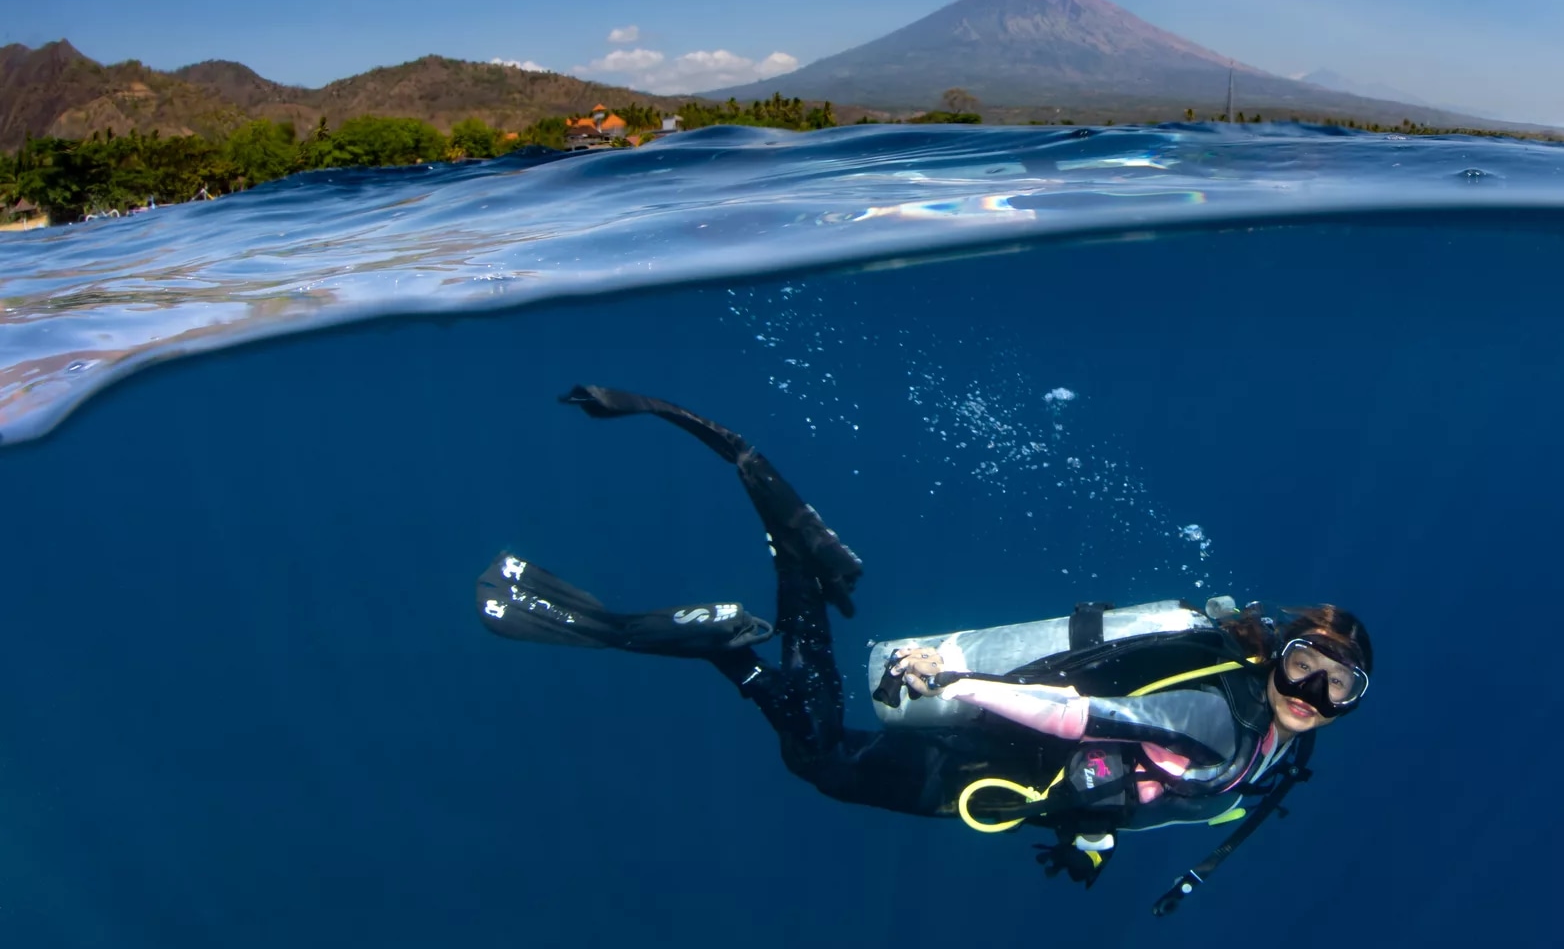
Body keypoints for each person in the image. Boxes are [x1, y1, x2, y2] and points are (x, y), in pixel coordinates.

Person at [476, 386, 1374, 914]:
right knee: (821, 760)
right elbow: (1084, 713)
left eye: (1340, 689)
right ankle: (751, 621)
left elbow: (1150, 783)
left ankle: (753, 631)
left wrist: (1093, 835)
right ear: (1275, 653)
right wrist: (962, 678)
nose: (1314, 697)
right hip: (993, 759)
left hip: (1024, 776)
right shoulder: (1223, 717)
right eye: (1305, 668)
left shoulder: (1277, 753)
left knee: (822, 757)